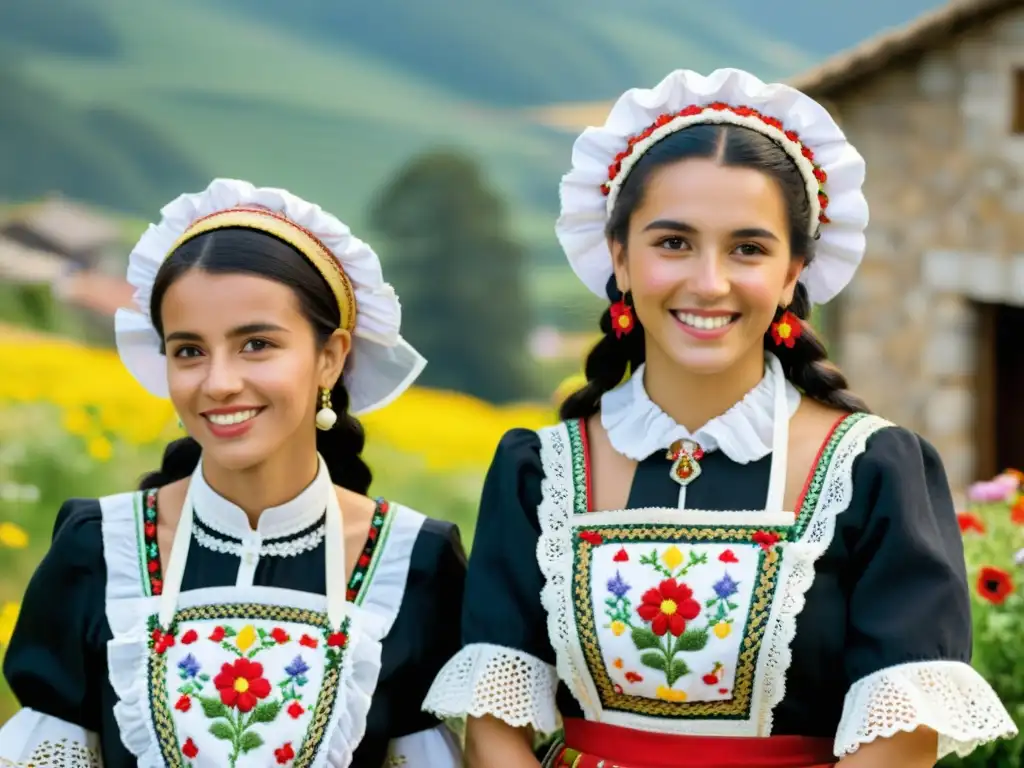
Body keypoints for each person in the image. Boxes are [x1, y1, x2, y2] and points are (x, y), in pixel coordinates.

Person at [423, 69, 1018, 767]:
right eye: (673, 242)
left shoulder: (873, 471)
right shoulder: (539, 473)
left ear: (795, 270)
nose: (709, 282)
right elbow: (496, 722)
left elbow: (900, 739)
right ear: (618, 254)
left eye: (748, 248)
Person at [0, 179, 465, 767]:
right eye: (189, 351)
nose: (218, 382)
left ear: (332, 355)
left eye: (256, 345)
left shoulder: (413, 564)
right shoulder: (99, 550)